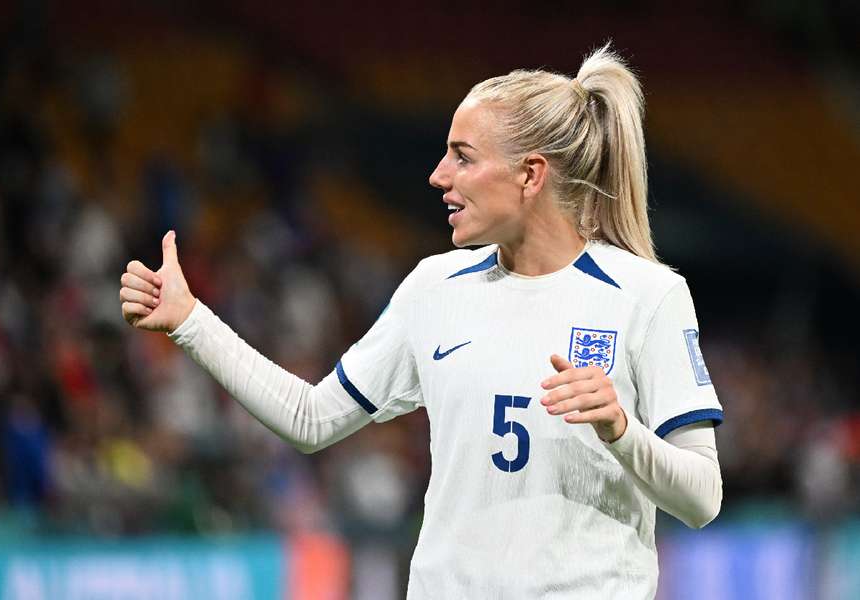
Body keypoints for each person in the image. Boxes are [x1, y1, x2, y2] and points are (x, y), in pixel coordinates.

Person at [119, 44, 723, 599]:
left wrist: (622, 430)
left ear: (531, 175)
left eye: (463, 157)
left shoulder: (648, 296)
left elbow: (702, 499)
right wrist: (191, 321)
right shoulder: (433, 288)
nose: (439, 176)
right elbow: (310, 419)